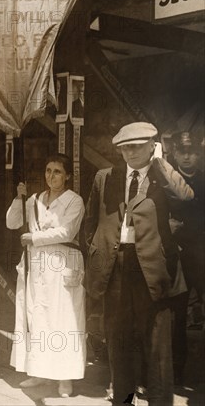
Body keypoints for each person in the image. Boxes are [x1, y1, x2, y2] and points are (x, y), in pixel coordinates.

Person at [84, 122, 194, 406]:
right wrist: (101, 253)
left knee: (157, 349)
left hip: (153, 272)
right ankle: (123, 400)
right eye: (124, 147)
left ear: (152, 146)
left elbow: (186, 199)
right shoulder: (104, 177)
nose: (129, 152)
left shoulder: (163, 179)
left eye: (136, 146)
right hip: (115, 268)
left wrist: (161, 161)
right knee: (118, 345)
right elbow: (91, 223)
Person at [6, 153, 85, 398]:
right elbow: (11, 222)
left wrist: (35, 238)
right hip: (36, 264)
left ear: (68, 175)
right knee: (36, 316)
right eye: (49, 171)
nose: (52, 176)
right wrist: (18, 198)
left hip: (62, 262)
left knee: (63, 319)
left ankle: (65, 377)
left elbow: (67, 230)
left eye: (58, 172)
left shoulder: (74, 201)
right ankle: (38, 370)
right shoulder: (34, 199)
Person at [169, 131, 205, 384]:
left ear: (200, 154)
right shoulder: (167, 181)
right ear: (175, 153)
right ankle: (176, 373)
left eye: (192, 152)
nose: (188, 156)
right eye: (183, 152)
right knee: (177, 316)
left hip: (202, 256)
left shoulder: (204, 181)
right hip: (177, 257)